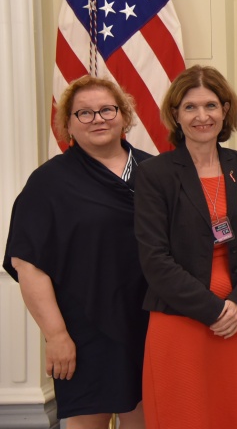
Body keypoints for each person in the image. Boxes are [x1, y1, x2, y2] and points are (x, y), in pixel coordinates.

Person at [3, 76, 149, 428]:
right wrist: (56, 336)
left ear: (124, 116)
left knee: (146, 421)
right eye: (84, 113)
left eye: (106, 110)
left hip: (148, 322)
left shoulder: (154, 172)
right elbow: (28, 264)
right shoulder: (48, 183)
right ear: (67, 124)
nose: (98, 119)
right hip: (84, 330)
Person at [134, 65, 237, 429]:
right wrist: (213, 310)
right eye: (190, 107)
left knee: (236, 414)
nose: (201, 116)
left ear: (225, 111)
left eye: (210, 105)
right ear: (175, 114)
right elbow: (154, 259)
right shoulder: (155, 174)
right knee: (184, 415)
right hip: (181, 318)